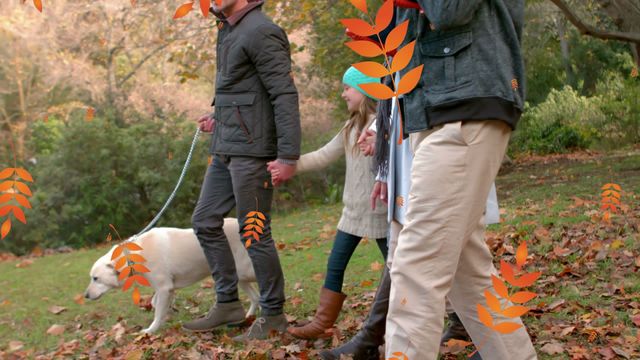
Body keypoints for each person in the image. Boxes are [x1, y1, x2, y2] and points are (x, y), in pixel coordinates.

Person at [383, 1, 538, 359]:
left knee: (416, 267)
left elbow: (449, 9)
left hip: (464, 105)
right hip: (442, 105)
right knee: (470, 278)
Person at [320, 73, 498, 360]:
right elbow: (396, 93)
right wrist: (384, 165)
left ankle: (491, 345)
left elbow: (422, 83)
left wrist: (384, 135)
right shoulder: (396, 49)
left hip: (445, 141)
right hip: (413, 151)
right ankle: (492, 346)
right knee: (415, 258)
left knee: (430, 258)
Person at [182, 0, 301, 341]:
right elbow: (244, 93)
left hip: (254, 152)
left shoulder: (262, 30)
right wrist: (219, 119)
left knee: (254, 233)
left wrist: (288, 156)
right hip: (226, 147)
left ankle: (273, 315)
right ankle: (228, 304)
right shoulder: (229, 29)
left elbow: (283, 95)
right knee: (204, 221)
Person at [270, 66, 388, 340]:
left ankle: (404, 317)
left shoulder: (384, 124)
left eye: (348, 87)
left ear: (367, 89)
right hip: (352, 213)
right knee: (335, 265)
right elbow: (323, 155)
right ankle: (321, 322)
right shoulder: (351, 127)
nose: (343, 93)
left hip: (381, 213)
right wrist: (289, 166)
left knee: (396, 267)